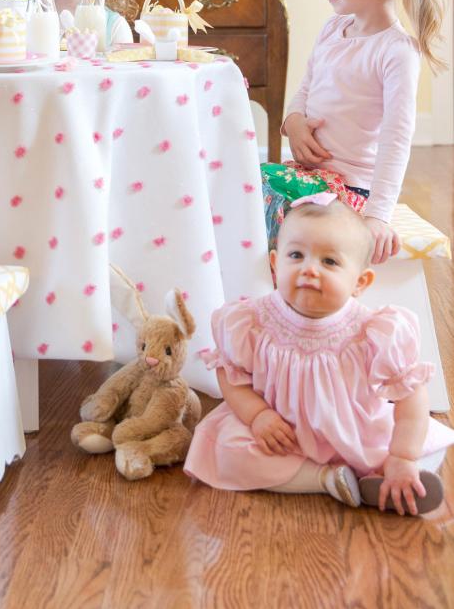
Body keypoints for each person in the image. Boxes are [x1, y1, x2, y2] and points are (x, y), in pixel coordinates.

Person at [185, 195, 454, 515]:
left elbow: (411, 397)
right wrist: (258, 416)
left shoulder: (374, 331)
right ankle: (326, 479)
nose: (309, 269)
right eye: (296, 255)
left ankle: (393, 475)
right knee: (226, 449)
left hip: (353, 432)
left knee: (414, 447)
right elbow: (232, 378)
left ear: (360, 282)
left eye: (329, 262)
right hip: (282, 433)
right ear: (275, 264)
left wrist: (403, 456)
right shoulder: (251, 322)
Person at [263, 0, 446, 264]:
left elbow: (396, 139)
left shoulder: (395, 51)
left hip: (350, 188)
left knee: (286, 223)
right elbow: (305, 88)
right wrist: (294, 120)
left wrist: (378, 215)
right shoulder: (333, 30)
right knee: (246, 191)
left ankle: (297, 302)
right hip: (309, 176)